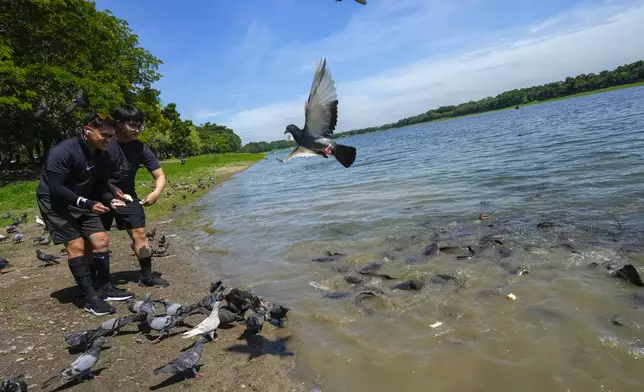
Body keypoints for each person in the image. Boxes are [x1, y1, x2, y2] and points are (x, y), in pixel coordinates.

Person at [36, 112, 134, 316]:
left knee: (100, 240)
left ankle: (105, 287)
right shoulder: (63, 151)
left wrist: (111, 199)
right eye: (104, 135)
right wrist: (87, 203)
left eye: (111, 136)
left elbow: (100, 184)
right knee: (76, 245)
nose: (109, 140)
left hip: (83, 198)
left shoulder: (101, 154)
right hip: (55, 201)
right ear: (87, 131)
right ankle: (91, 297)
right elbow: (56, 188)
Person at [101, 104, 170, 287]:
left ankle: (147, 275)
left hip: (128, 196)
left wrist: (156, 192)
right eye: (132, 125)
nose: (137, 130)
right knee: (98, 238)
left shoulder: (140, 148)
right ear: (118, 124)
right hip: (100, 193)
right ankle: (99, 279)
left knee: (140, 233)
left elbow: (160, 175)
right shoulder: (105, 143)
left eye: (140, 125)